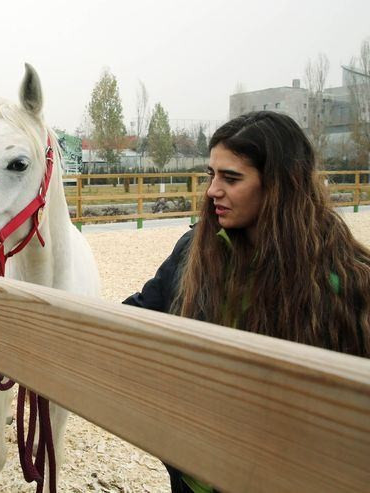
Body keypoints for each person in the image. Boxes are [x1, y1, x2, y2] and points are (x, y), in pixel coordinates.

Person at [123, 111, 370, 493]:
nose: (211, 191)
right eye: (211, 175)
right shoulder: (193, 251)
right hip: (194, 478)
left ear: (279, 185)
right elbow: (133, 319)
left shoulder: (344, 279)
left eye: (231, 178)